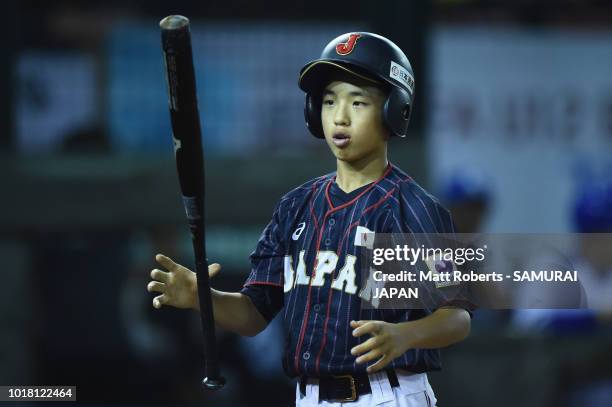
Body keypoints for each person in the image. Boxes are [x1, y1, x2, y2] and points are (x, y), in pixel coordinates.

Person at [147, 32, 471, 406]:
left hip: (386, 393)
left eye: (359, 102)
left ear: (392, 110)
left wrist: (406, 335)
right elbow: (254, 315)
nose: (340, 116)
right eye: (329, 101)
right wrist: (203, 298)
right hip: (307, 396)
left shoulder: (411, 208)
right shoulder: (296, 206)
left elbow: (456, 317)